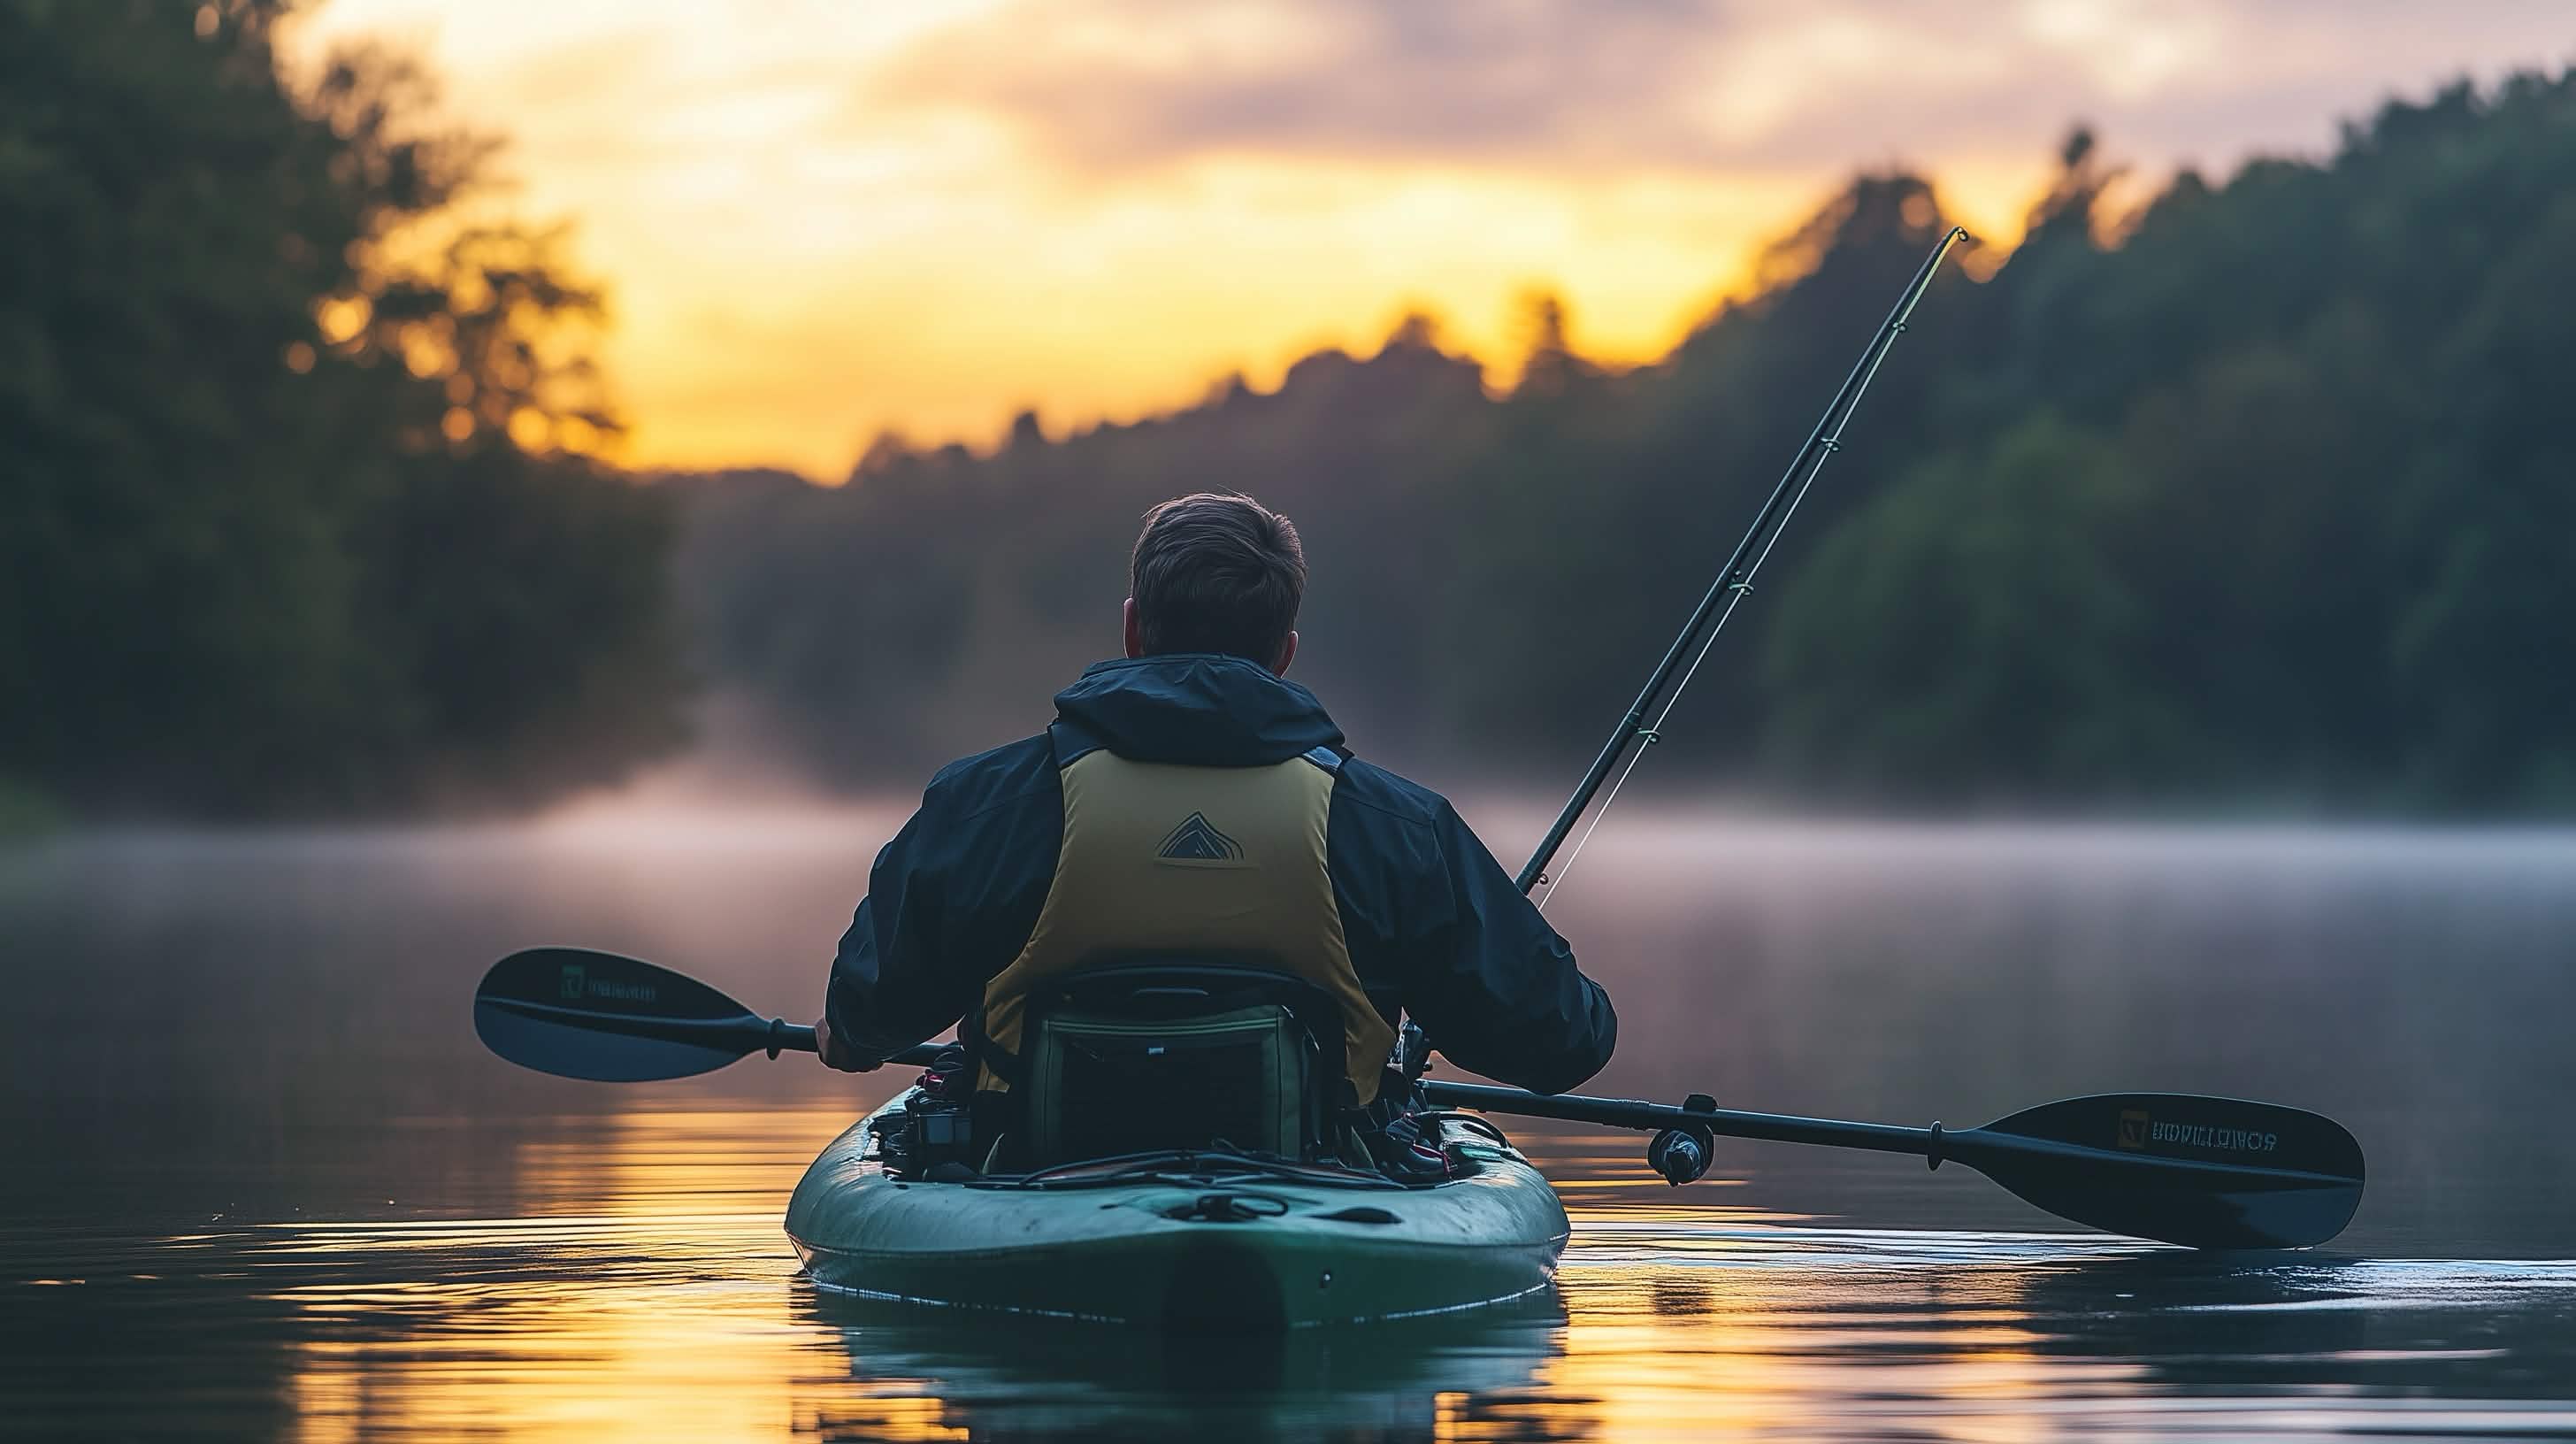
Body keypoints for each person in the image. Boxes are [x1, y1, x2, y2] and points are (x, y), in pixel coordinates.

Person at [815, 491, 1615, 1170]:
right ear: (1285, 655)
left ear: (1134, 629)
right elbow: (1562, 1042)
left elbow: (862, 1018)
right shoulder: (1393, 826)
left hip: (1029, 1171)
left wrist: (841, 1034)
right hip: (1321, 1185)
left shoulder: (987, 804)